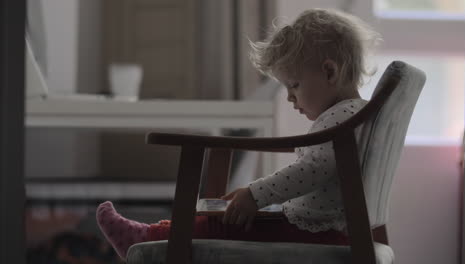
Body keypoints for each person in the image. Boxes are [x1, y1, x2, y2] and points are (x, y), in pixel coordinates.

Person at [96, 8, 382, 259]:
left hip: (317, 233)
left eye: (294, 85)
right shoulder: (354, 115)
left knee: (225, 224)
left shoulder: (342, 119)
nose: (290, 98)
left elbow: (313, 169)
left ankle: (148, 237)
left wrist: (255, 194)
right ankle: (153, 233)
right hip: (321, 227)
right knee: (224, 217)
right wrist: (256, 197)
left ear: (329, 72)